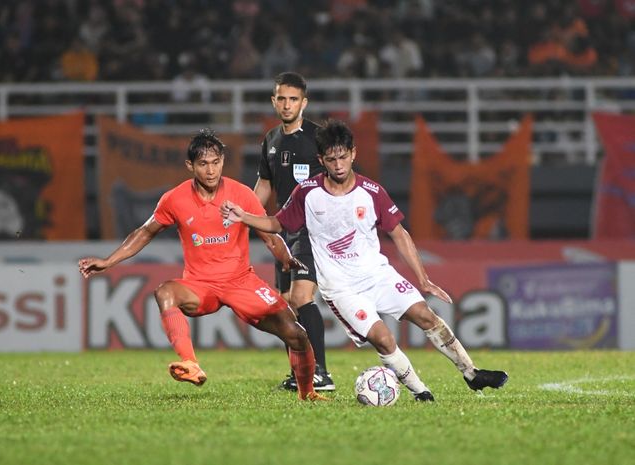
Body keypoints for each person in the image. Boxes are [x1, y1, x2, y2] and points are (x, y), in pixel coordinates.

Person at [222, 120, 509, 401]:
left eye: (343, 157)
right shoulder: (307, 193)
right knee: (383, 338)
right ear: (321, 159)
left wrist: (423, 279)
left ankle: (472, 374)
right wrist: (243, 216)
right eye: (331, 159)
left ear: (353, 154)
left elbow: (399, 233)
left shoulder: (371, 192)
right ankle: (421, 392)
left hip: (377, 275)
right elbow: (278, 222)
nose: (338, 165)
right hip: (341, 287)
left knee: (425, 315)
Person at [79, 128, 326, 402]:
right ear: (190, 165)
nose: (211, 171)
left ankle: (308, 394)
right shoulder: (174, 199)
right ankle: (190, 363)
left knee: (297, 334)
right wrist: (109, 261)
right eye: (203, 164)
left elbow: (270, 236)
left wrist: (285, 258)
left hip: (241, 282)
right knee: (165, 292)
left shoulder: (242, 195)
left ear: (223, 161)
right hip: (201, 286)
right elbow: (145, 231)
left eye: (216, 162)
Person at [255, 71, 334, 391]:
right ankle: (301, 373)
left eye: (293, 99)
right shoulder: (271, 140)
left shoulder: (319, 138)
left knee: (301, 296)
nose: (287, 105)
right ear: (274, 101)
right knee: (286, 302)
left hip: (311, 230)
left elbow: (341, 177)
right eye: (281, 99)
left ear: (304, 102)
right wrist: (243, 214)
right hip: (281, 232)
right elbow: (264, 185)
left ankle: (322, 373)